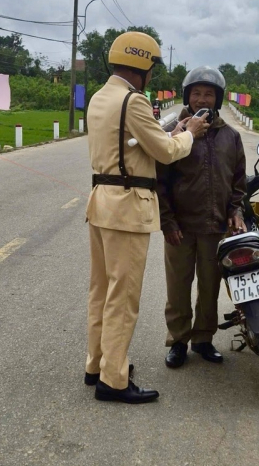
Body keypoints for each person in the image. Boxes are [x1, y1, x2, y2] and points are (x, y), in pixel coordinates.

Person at [85, 31, 210, 404]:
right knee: (123, 297)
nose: (152, 74)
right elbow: (167, 152)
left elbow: (138, 143)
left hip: (101, 201)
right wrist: (190, 133)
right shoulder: (133, 101)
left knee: (101, 291)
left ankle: (98, 364)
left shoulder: (101, 97)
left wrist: (172, 132)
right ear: (141, 64)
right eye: (152, 67)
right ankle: (114, 380)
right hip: (127, 206)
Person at [157, 66, 247, 369]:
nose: (202, 99)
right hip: (179, 229)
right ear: (187, 96)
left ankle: (203, 339)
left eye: (208, 93)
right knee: (178, 289)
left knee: (210, 288)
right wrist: (167, 221)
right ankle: (178, 341)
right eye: (196, 93)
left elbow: (238, 183)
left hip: (215, 227)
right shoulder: (175, 133)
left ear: (218, 98)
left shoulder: (230, 136)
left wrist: (235, 210)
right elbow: (160, 181)